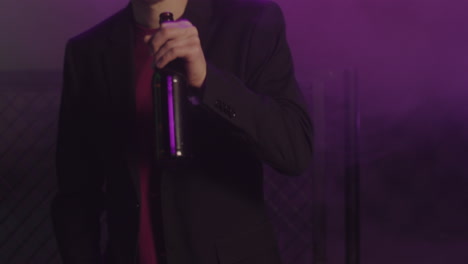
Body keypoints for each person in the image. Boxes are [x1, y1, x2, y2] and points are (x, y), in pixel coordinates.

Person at [51, 0, 313, 263]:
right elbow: (76, 196)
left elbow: (294, 150)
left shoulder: (250, 23)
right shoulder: (88, 51)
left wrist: (206, 79)